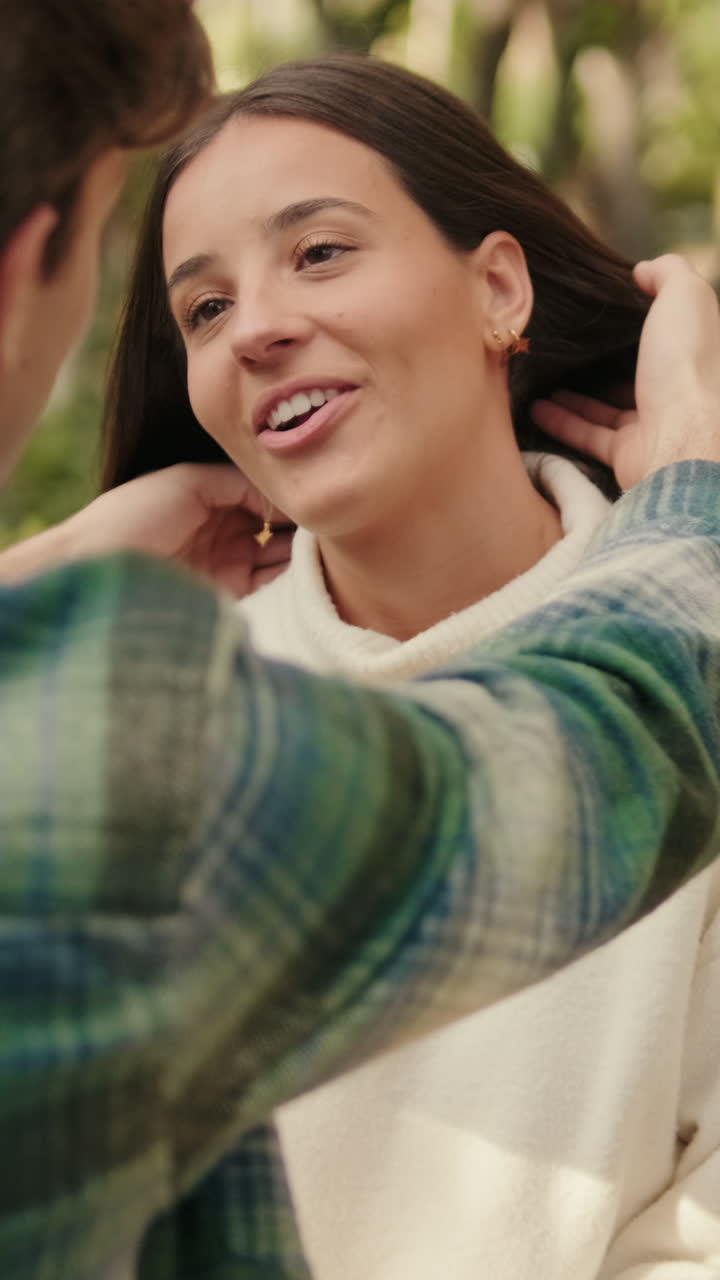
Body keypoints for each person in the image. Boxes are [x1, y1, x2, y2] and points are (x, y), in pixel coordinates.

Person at [2, 13, 720, 1277]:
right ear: (28, 271)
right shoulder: (139, 737)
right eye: (203, 307)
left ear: (499, 285)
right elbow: (593, 758)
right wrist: (693, 502)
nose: (253, 329)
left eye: (320, 251)